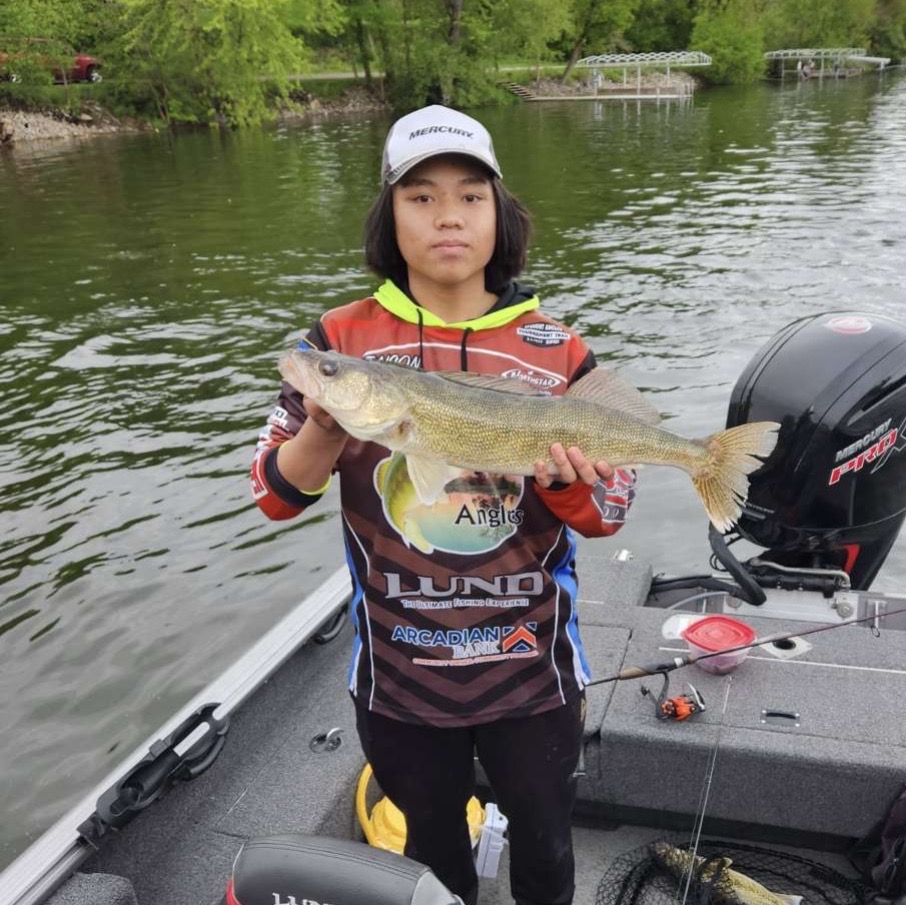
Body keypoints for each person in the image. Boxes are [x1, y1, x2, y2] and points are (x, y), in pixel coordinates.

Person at [250, 104, 637, 905]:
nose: (448, 216)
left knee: (546, 845)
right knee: (429, 853)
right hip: (398, 676)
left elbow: (609, 512)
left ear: (502, 213)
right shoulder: (337, 339)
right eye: (419, 196)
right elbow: (274, 494)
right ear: (389, 216)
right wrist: (324, 421)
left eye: (471, 194)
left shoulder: (556, 348)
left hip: (532, 671)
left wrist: (565, 477)